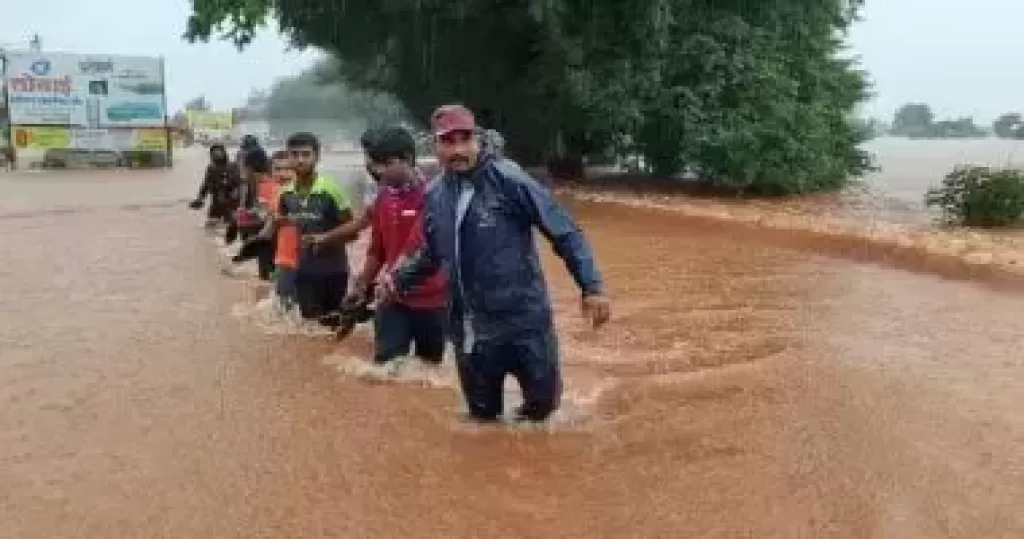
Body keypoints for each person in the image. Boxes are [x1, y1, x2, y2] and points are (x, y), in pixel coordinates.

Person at [378, 104, 611, 423]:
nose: (458, 149)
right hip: (471, 329)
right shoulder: (435, 195)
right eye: (448, 142)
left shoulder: (510, 180)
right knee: (482, 421)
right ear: (435, 146)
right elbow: (434, 254)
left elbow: (565, 232)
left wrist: (592, 286)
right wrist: (398, 281)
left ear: (477, 139)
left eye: (465, 139)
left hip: (525, 322)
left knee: (542, 414)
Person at [349, 126, 447, 367]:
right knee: (385, 369)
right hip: (393, 301)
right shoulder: (383, 197)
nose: (377, 170)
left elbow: (419, 244)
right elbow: (377, 250)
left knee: (431, 370)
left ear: (407, 159)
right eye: (375, 163)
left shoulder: (436, 196)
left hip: (434, 302)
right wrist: (361, 284)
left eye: (385, 163)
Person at [276, 132, 354, 326]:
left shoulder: (331, 190)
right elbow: (283, 227)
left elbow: (352, 232)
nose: (300, 160)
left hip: (335, 272)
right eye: (294, 154)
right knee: (309, 330)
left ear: (317, 157)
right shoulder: (285, 194)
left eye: (305, 154)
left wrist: (325, 239)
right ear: (288, 157)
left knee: (332, 327)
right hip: (304, 272)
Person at [190, 143, 241, 228]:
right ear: (211, 154)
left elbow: (238, 182)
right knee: (209, 225)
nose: (217, 154)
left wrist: (237, 192)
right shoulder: (211, 168)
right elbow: (206, 183)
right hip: (216, 200)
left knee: (230, 224)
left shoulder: (232, 166)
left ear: (224, 152)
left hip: (230, 200)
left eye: (219, 151)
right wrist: (200, 197)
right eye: (214, 152)